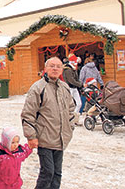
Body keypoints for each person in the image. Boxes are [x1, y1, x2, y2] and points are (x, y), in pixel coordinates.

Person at [21, 57, 75, 189]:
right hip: (44, 138)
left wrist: (70, 127)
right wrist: (31, 136)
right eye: (52, 66)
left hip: (61, 138)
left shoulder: (65, 87)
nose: (55, 69)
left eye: (58, 66)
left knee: (57, 174)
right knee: (48, 173)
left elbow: (71, 109)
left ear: (62, 69)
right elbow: (28, 113)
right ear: (45, 69)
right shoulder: (38, 88)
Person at [62, 54, 83, 125]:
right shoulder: (67, 70)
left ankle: (75, 119)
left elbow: (76, 79)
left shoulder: (73, 69)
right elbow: (71, 80)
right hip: (69, 88)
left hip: (74, 88)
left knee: (79, 103)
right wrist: (80, 84)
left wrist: (79, 84)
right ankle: (68, 120)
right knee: (69, 105)